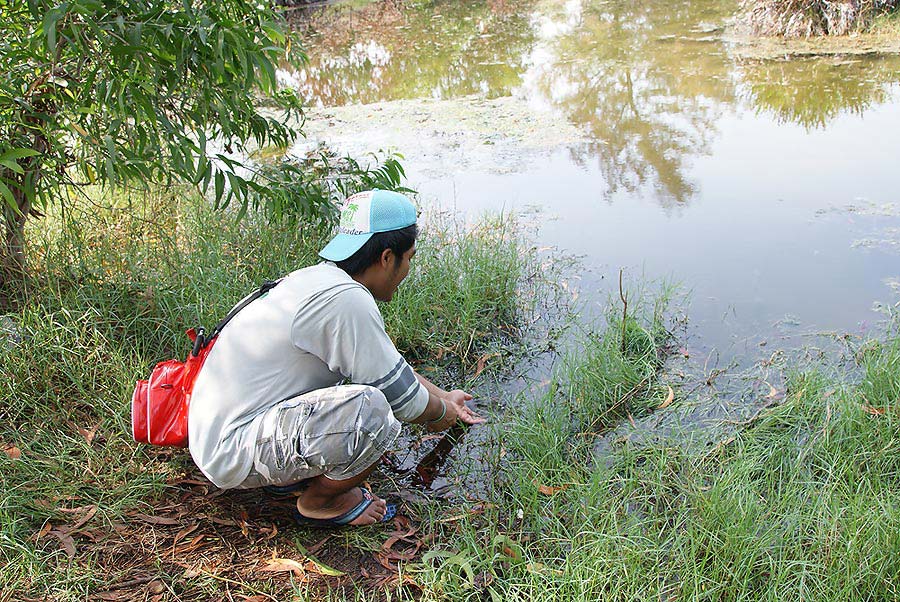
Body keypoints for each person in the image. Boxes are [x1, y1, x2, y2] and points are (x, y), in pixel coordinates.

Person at [188, 189, 483, 526]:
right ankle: (320, 502)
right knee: (374, 413)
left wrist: (445, 397)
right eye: (410, 257)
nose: (409, 268)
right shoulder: (347, 302)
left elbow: (387, 365)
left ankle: (288, 475)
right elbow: (404, 401)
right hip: (229, 451)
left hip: (219, 431)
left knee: (371, 394)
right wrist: (442, 413)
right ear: (387, 257)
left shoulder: (320, 280)